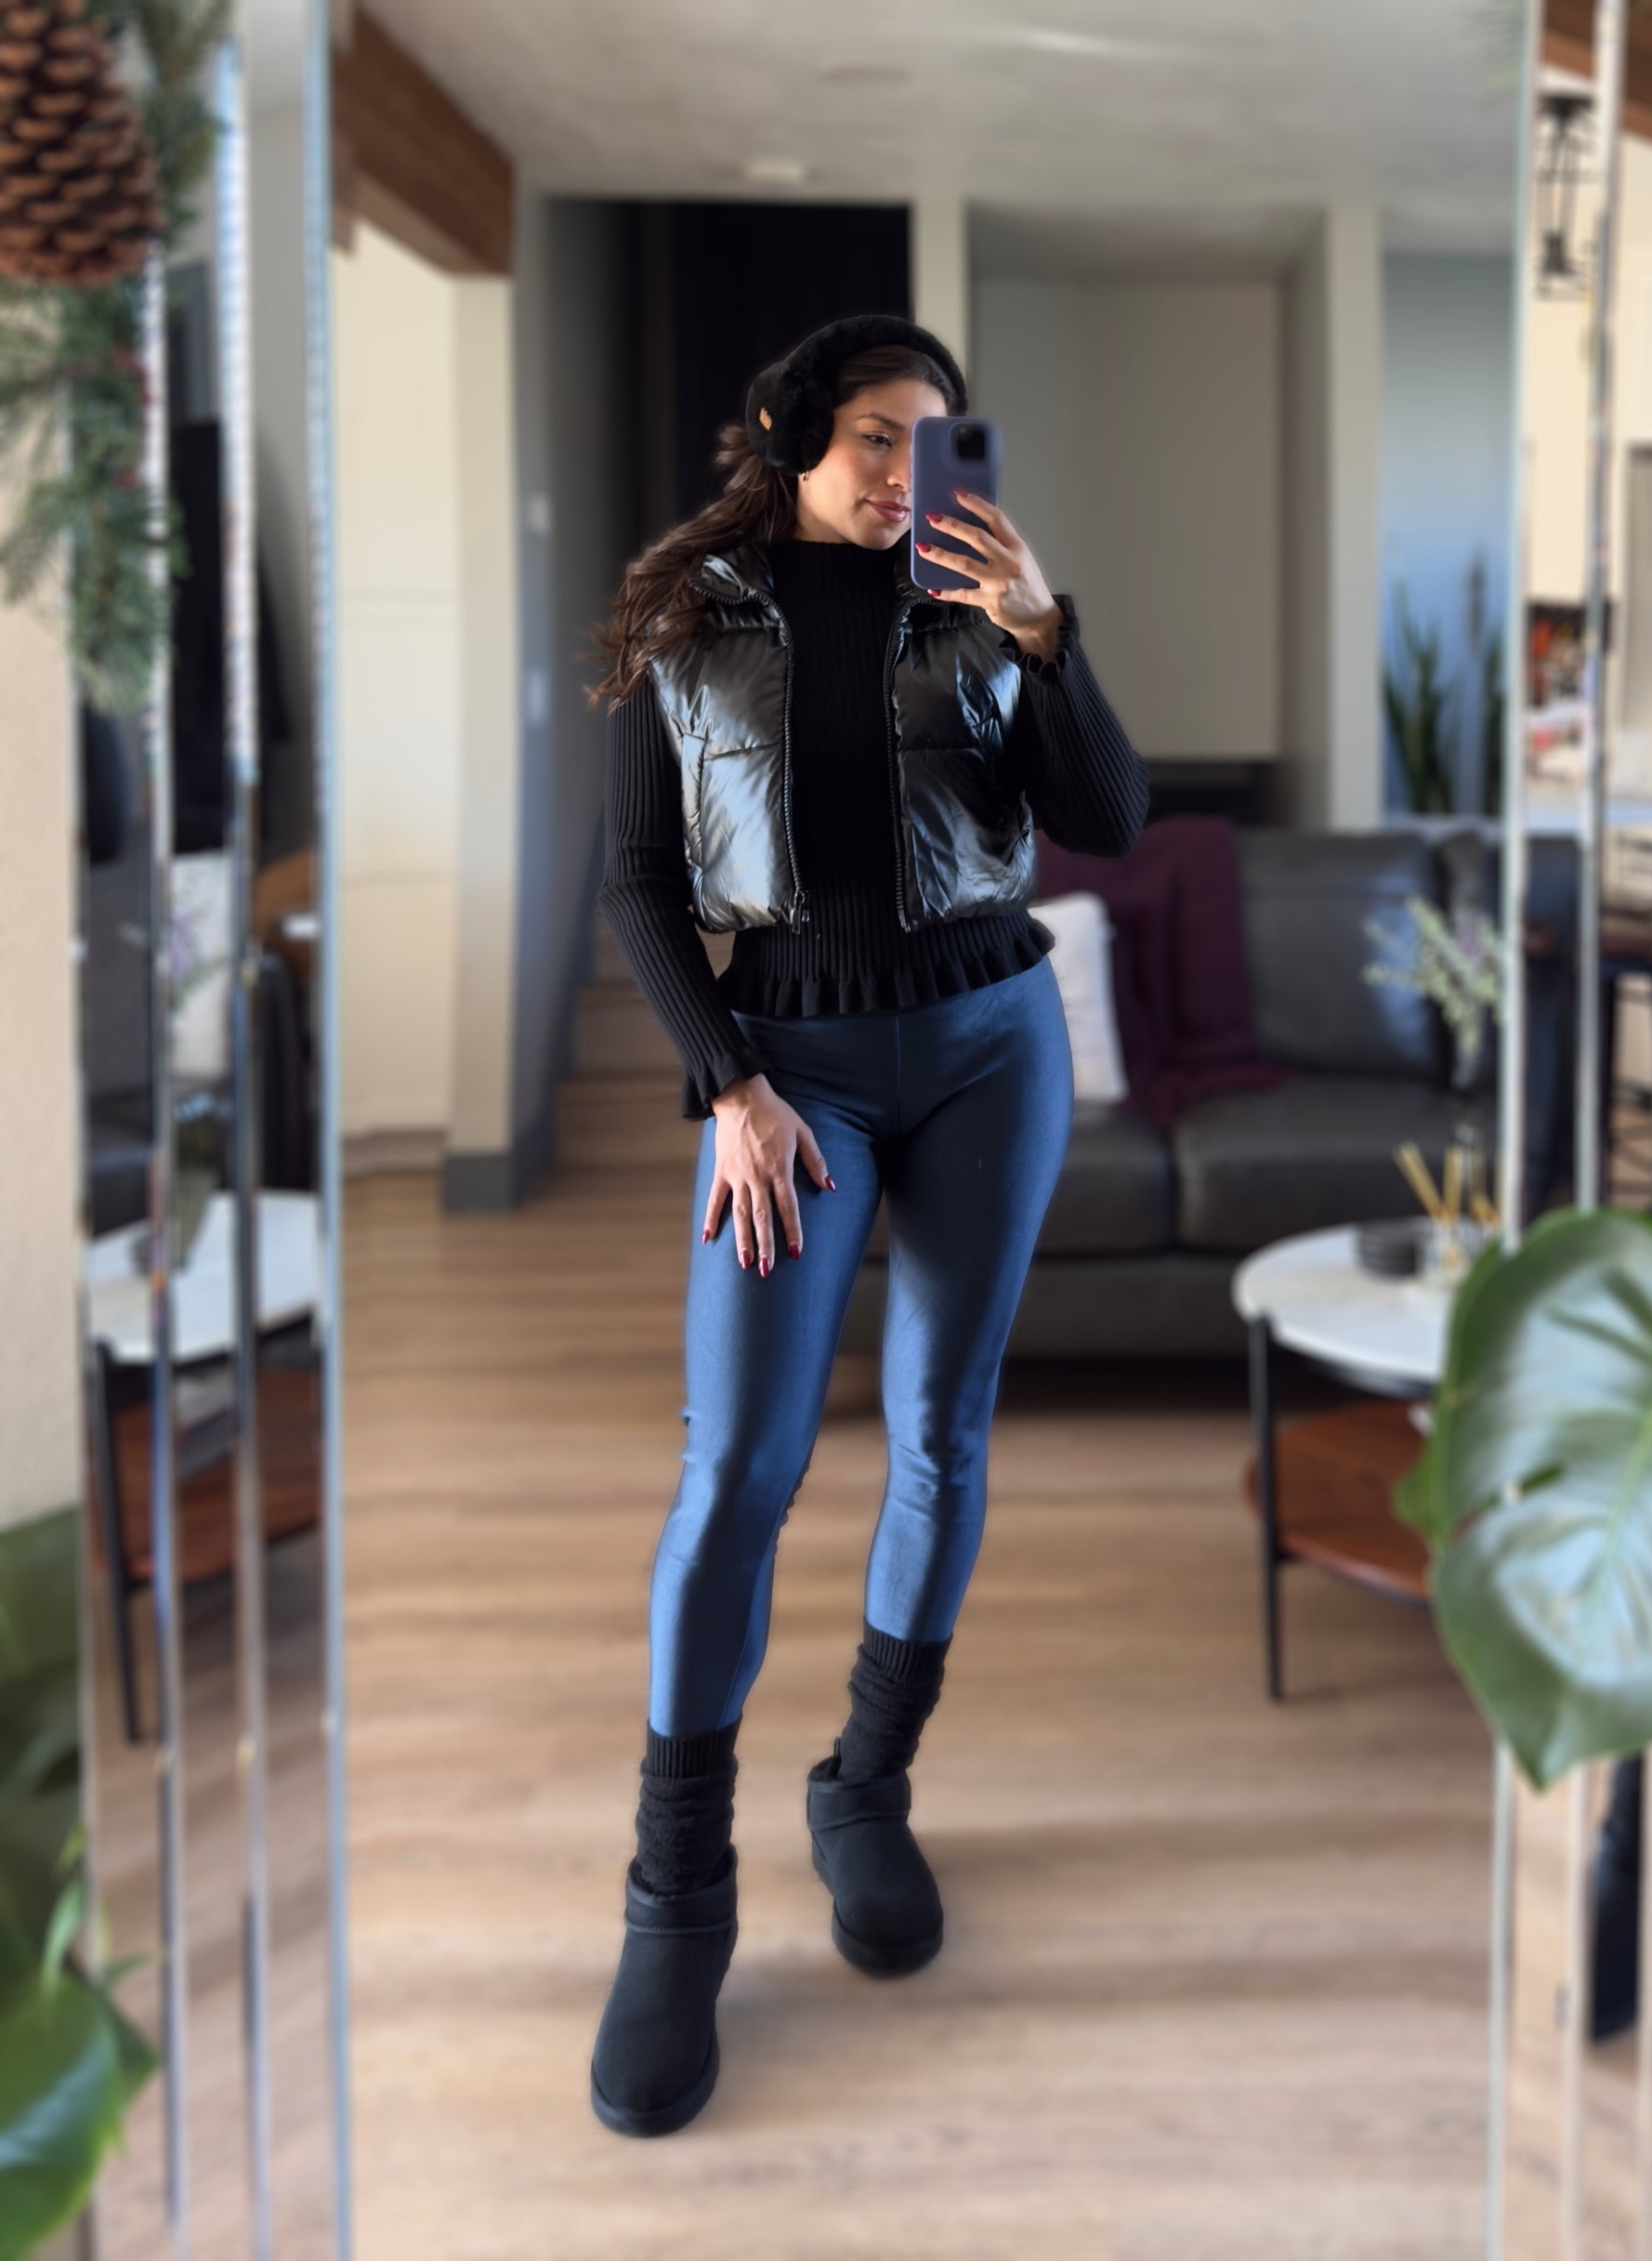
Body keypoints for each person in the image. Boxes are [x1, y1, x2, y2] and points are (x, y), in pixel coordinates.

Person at [585, 312, 1148, 2136]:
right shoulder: (687, 616)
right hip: (789, 1078)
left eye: (933, 436)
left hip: (991, 1044)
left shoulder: (980, 602)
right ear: (791, 438)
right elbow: (639, 881)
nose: (907, 469)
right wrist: (728, 1086)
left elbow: (1107, 819)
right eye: (875, 435)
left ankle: (866, 1787)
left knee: (940, 1429)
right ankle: (678, 1897)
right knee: (737, 1469)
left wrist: (1048, 639)